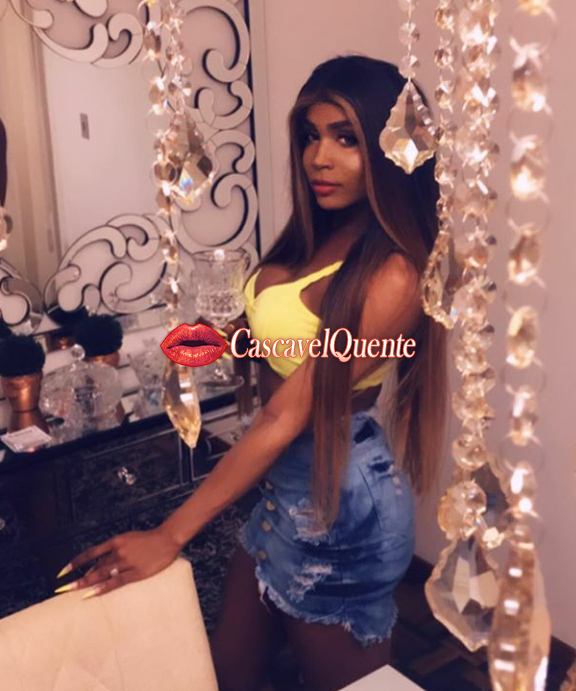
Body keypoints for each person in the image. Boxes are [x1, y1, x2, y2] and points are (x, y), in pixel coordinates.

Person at [57, 55, 448, 691]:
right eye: (311, 135)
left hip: (341, 504)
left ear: (391, 151)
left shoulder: (394, 273)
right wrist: (186, 345)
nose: (319, 157)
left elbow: (283, 414)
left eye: (346, 139)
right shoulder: (313, 240)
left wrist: (170, 534)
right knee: (228, 672)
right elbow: (260, 341)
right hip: (281, 486)